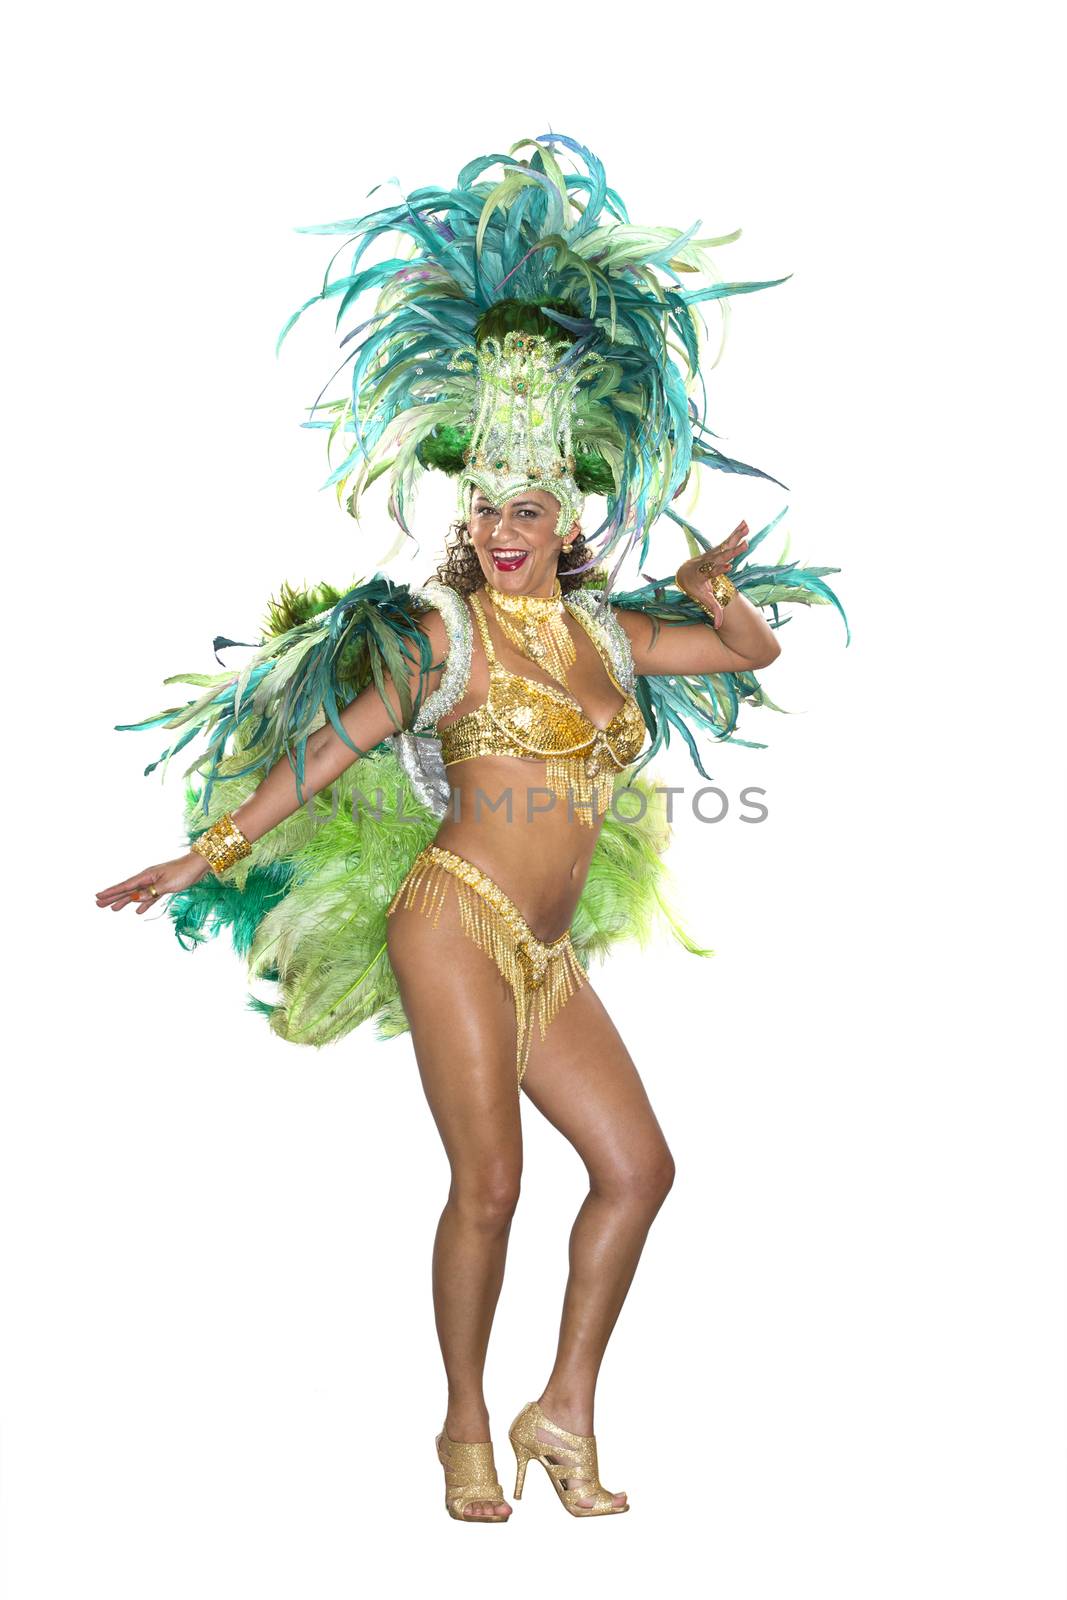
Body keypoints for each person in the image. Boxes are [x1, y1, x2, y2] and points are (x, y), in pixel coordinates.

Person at [95, 134, 848, 1522]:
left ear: (569, 520)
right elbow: (324, 756)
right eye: (484, 505)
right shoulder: (438, 635)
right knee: (490, 1183)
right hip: (452, 917)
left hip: (544, 955)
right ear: (469, 515)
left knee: (639, 1169)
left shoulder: (616, 638)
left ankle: (561, 1409)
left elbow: (753, 654)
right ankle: (458, 1423)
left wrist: (710, 592)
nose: (502, 528)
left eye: (528, 508)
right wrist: (211, 851)